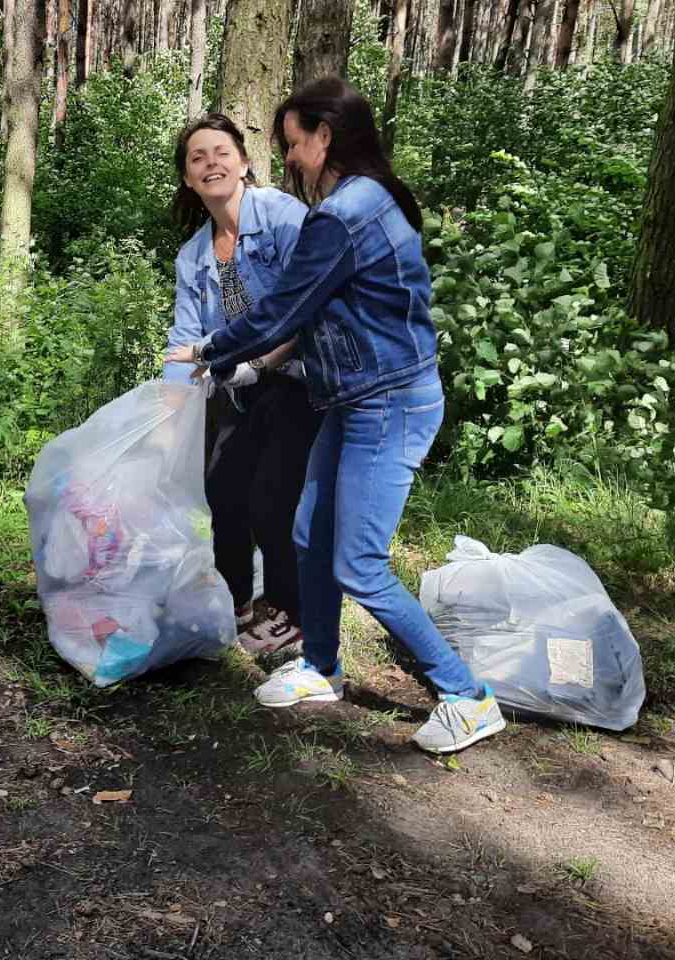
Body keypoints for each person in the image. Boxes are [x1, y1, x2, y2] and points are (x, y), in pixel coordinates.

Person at [166, 78, 504, 755]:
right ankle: (321, 665)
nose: (291, 157)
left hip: (388, 402)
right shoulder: (356, 204)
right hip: (348, 396)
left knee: (359, 563)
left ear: (327, 137)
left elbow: (284, 310)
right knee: (307, 534)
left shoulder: (343, 215)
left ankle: (467, 697)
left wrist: (210, 349)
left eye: (295, 144)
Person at [163, 112, 322, 656]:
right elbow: (185, 338)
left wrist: (263, 364)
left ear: (245, 161)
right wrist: (165, 405)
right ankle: (235, 600)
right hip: (237, 385)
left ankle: (288, 612)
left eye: (221, 152)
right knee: (221, 491)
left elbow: (309, 301)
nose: (211, 163)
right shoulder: (194, 256)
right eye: (197, 157)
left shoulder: (279, 215)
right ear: (188, 178)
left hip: (299, 377)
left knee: (271, 499)